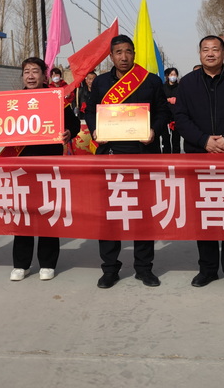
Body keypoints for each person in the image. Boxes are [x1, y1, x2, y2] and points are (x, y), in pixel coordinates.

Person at [84, 34, 170, 289]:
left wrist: (153, 130)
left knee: (143, 213)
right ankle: (110, 268)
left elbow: (164, 111)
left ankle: (144, 268)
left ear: (134, 54)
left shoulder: (150, 81)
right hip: (110, 155)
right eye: (119, 52)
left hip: (143, 155)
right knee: (109, 214)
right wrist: (95, 130)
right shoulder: (101, 82)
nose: (124, 57)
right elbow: (91, 111)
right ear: (111, 56)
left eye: (128, 51)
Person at [173, 36, 224, 289]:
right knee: (205, 213)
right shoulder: (187, 83)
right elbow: (180, 118)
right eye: (205, 49)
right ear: (199, 53)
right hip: (199, 157)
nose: (210, 54)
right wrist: (204, 140)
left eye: (215, 49)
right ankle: (207, 269)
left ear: (223, 54)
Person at [9, 57, 80, 282]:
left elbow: (74, 124)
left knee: (48, 211)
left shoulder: (56, 98)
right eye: (26, 72)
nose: (30, 76)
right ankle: (21, 264)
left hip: (49, 162)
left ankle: (47, 262)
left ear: (44, 75)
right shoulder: (12, 101)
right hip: (21, 165)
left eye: (35, 71)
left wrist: (69, 132)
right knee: (23, 212)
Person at [161, 67, 181, 154]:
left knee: (176, 138)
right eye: (171, 74)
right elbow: (160, 99)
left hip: (176, 116)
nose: (173, 76)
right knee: (165, 138)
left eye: (175, 75)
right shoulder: (163, 87)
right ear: (168, 76)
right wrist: (168, 100)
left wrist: (177, 100)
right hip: (165, 115)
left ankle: (176, 155)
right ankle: (166, 154)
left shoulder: (180, 87)